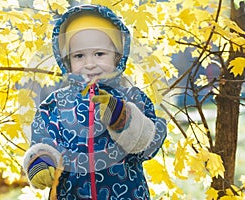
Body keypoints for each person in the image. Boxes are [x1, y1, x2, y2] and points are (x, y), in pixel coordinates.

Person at [22, 4, 167, 200]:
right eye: (79, 56)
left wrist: (122, 117)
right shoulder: (55, 104)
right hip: (70, 194)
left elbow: (150, 145)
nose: (89, 64)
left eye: (99, 54)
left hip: (127, 193)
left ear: (117, 56)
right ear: (67, 60)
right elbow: (44, 140)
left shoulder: (132, 98)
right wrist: (41, 160)